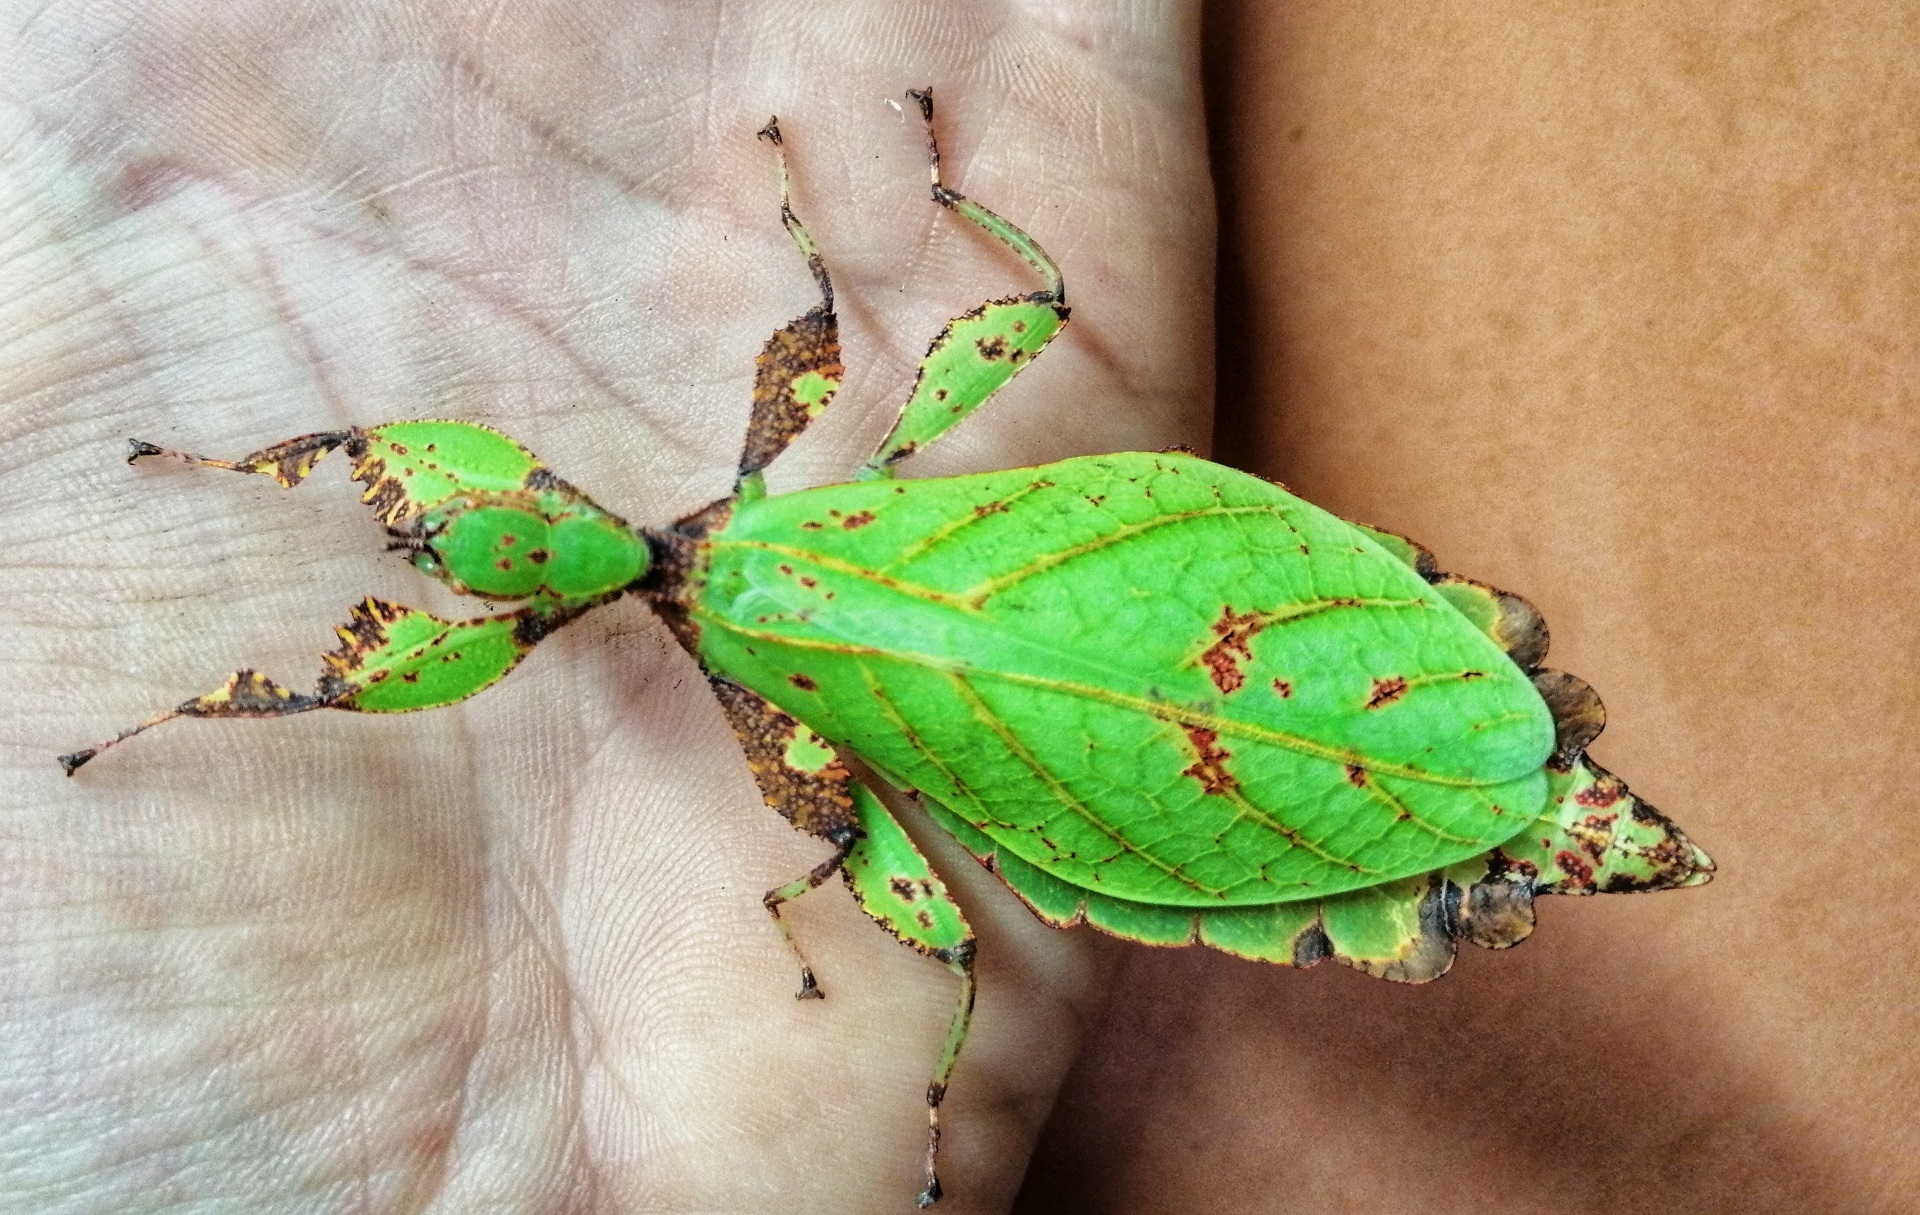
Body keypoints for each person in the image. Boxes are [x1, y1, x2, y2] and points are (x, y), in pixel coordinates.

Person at [5, 4, 1912, 1212]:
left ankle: (1487, 790)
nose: (464, 548)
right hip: (1181, 636)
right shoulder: (788, 473)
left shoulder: (776, 729)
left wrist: (809, 895)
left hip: (1183, 738)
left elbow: (845, 848)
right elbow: (978, 313)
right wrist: (851, 209)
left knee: (944, 939)